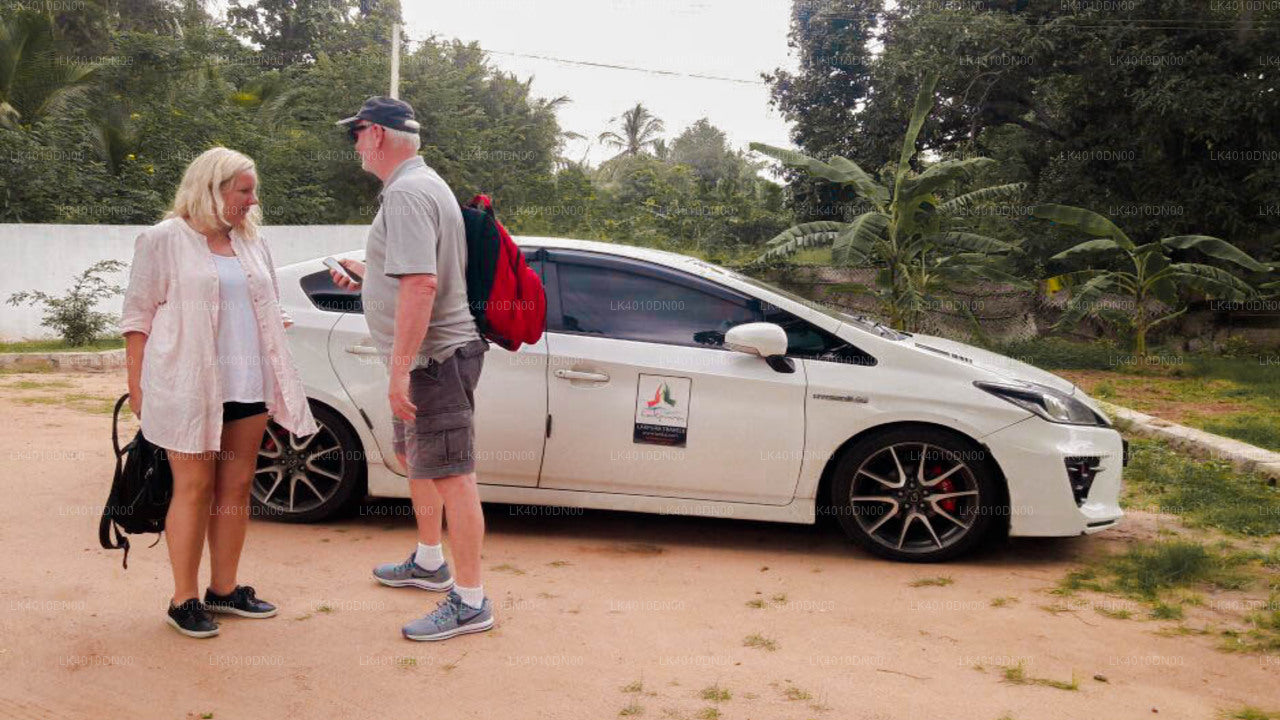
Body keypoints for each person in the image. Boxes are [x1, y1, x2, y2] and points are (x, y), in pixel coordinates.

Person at [120, 147, 318, 638]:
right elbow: (136, 317)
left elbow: (268, 305)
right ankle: (182, 599)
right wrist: (137, 385)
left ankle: (224, 590)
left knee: (234, 488)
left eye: (253, 190)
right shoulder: (164, 240)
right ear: (212, 188)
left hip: (247, 383)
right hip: (187, 385)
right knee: (194, 488)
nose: (253, 201)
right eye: (244, 191)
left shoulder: (252, 242)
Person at [332, 97, 494, 641]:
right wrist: (369, 275)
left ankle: (471, 602)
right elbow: (410, 276)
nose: (354, 144)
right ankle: (430, 562)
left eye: (355, 134)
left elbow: (424, 285)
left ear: (376, 134)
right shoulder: (418, 186)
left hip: (434, 361)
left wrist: (400, 371)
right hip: (426, 359)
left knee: (453, 475)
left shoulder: (406, 193)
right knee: (418, 461)